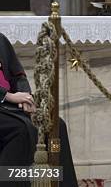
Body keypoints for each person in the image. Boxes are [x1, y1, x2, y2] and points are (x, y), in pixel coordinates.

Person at [0, 32, 78, 187]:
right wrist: (7, 96)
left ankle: (58, 181)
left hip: (12, 105)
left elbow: (18, 75)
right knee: (22, 129)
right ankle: (11, 180)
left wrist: (27, 97)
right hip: (5, 103)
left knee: (56, 125)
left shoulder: (0, 39)